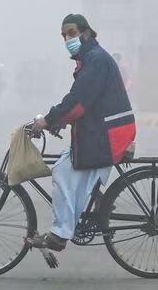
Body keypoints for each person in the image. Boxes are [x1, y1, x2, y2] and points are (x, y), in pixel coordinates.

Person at [26, 14, 136, 251]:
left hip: (107, 134)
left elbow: (79, 102)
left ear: (86, 33)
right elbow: (85, 103)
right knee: (67, 164)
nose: (67, 38)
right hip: (102, 129)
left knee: (63, 172)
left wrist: (49, 119)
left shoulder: (95, 60)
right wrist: (60, 121)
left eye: (72, 33)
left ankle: (59, 235)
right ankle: (99, 200)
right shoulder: (91, 58)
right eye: (64, 35)